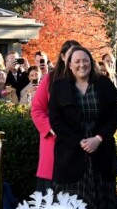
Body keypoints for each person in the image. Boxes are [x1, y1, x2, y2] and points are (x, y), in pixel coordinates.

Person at [48, 46, 117, 209]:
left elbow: (114, 117)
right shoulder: (59, 87)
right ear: (70, 65)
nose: (82, 65)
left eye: (85, 60)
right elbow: (56, 121)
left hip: (100, 146)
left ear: (91, 62)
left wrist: (98, 139)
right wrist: (79, 141)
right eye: (77, 61)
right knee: (73, 202)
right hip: (71, 149)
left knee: (98, 188)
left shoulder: (104, 84)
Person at [31, 41, 80, 192]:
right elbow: (37, 109)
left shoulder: (86, 79)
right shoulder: (50, 79)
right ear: (63, 56)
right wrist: (51, 128)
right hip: (54, 143)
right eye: (70, 55)